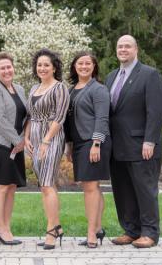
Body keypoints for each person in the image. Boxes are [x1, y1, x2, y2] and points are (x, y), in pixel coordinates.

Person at [105, 35, 162, 248]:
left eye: (127, 46)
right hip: (117, 147)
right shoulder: (111, 77)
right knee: (123, 190)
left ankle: (150, 232)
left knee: (145, 190)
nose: (123, 49)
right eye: (120, 46)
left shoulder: (149, 75)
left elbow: (157, 110)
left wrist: (150, 140)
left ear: (136, 49)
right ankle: (131, 230)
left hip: (142, 146)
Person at [64, 52, 111, 248]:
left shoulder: (98, 89)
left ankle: (91, 233)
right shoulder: (71, 89)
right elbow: (68, 120)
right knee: (93, 187)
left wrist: (96, 143)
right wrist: (68, 144)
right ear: (75, 67)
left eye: (88, 63)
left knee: (90, 187)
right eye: (80, 63)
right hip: (78, 143)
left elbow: (102, 118)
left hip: (93, 142)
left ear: (94, 67)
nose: (84, 66)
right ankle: (98, 228)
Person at [24, 48, 70, 250]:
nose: (42, 68)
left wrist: (46, 141)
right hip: (34, 137)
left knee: (47, 183)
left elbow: (59, 118)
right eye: (39, 65)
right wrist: (26, 137)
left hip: (51, 138)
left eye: (46, 65)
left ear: (54, 68)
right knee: (44, 184)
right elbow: (30, 115)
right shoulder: (34, 88)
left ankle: (51, 230)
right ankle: (56, 226)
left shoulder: (60, 88)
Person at [0, 52, 27, 246]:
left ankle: (7, 227)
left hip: (17, 145)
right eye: (2, 68)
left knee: (11, 186)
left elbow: (27, 116)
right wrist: (17, 140)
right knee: (2, 186)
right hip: (0, 144)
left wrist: (23, 139)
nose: (6, 70)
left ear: (13, 68)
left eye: (9, 67)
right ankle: (0, 229)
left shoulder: (19, 88)